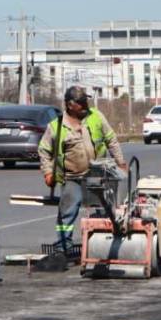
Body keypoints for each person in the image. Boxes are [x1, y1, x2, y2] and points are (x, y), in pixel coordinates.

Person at [39, 86, 127, 258]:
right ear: (70, 105)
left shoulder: (96, 117)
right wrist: (48, 172)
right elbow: (44, 150)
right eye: (81, 102)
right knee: (67, 213)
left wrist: (120, 162)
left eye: (85, 100)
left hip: (98, 174)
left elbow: (111, 140)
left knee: (105, 209)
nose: (85, 104)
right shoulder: (56, 126)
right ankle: (62, 247)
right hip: (72, 177)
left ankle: (106, 245)